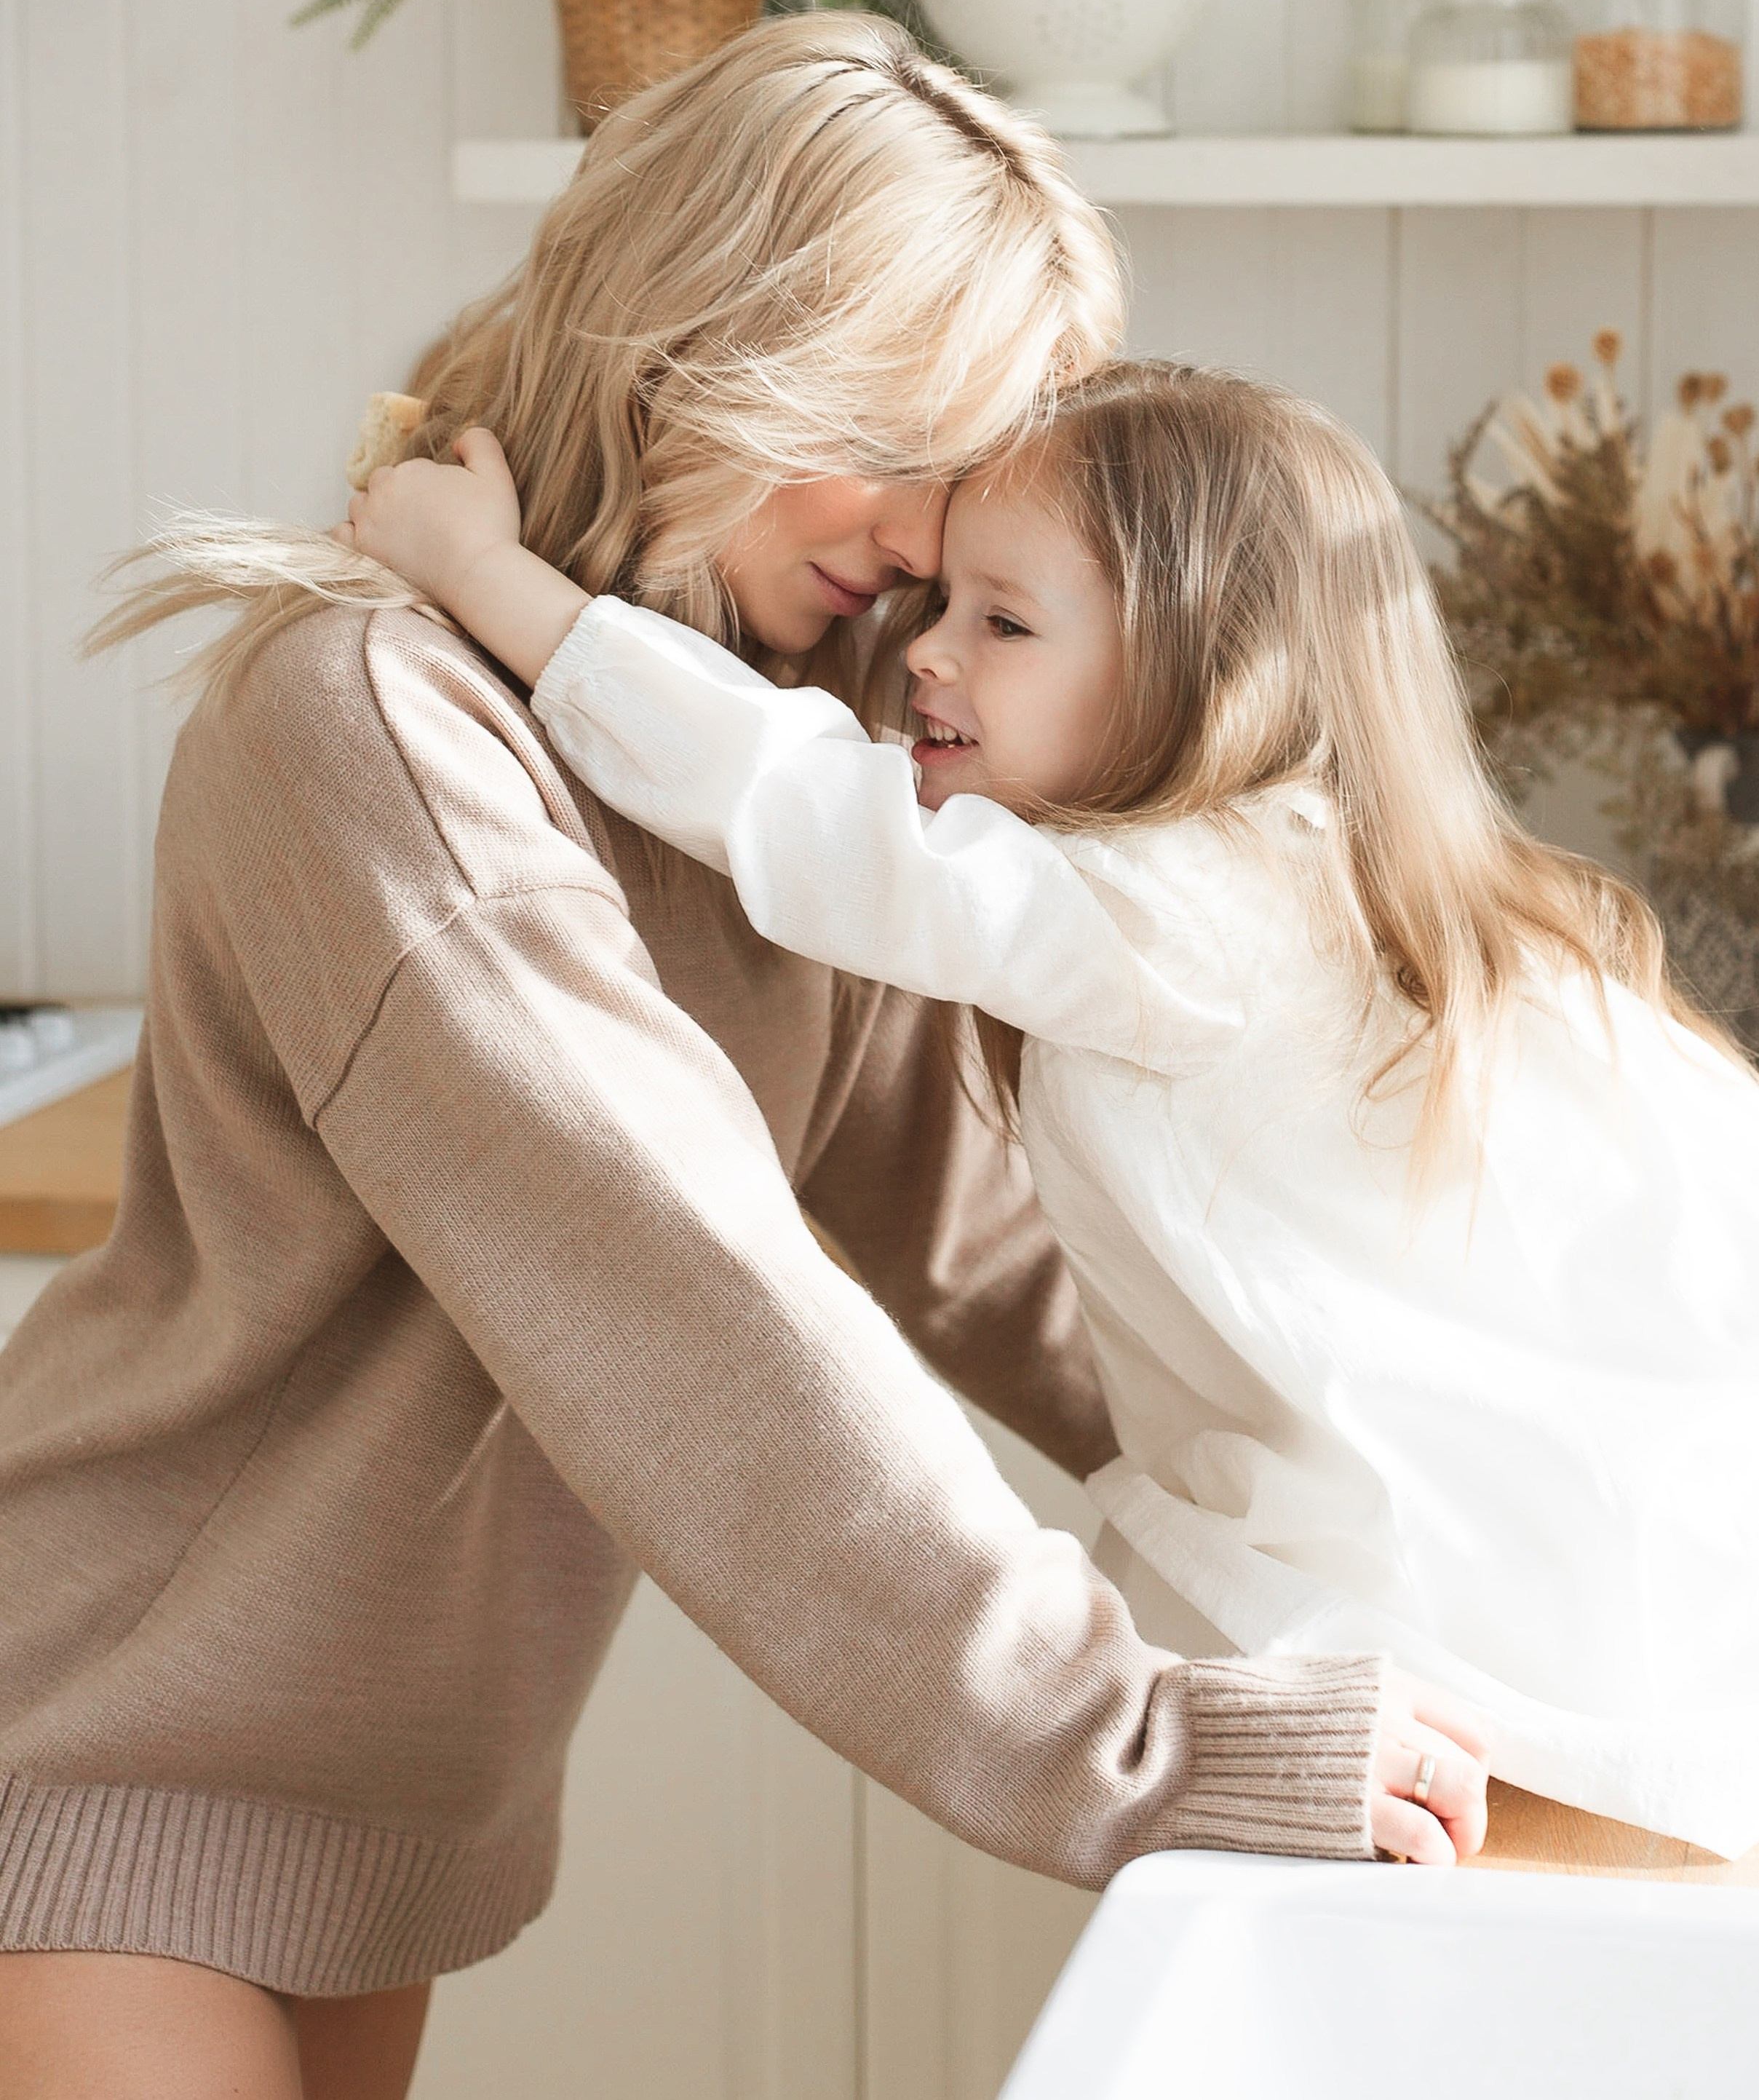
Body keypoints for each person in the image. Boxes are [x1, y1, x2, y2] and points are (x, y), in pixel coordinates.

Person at [0, 24, 1482, 2100]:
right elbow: (674, 1280)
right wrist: (1130, 1745)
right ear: (705, 342)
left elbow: (1002, 1250)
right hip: (98, 1733)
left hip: (377, 1813)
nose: (918, 529)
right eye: (890, 439)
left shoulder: (787, 761)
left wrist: (1441, 1522)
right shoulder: (376, 726)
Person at [344, 347, 1759, 1879]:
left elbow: (807, 810)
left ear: (1210, 671)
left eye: (1003, 622)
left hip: (1446, 1655)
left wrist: (480, 572)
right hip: (1542, 1632)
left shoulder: (1192, 908)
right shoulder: (1347, 899)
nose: (926, 658)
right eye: (939, 604)